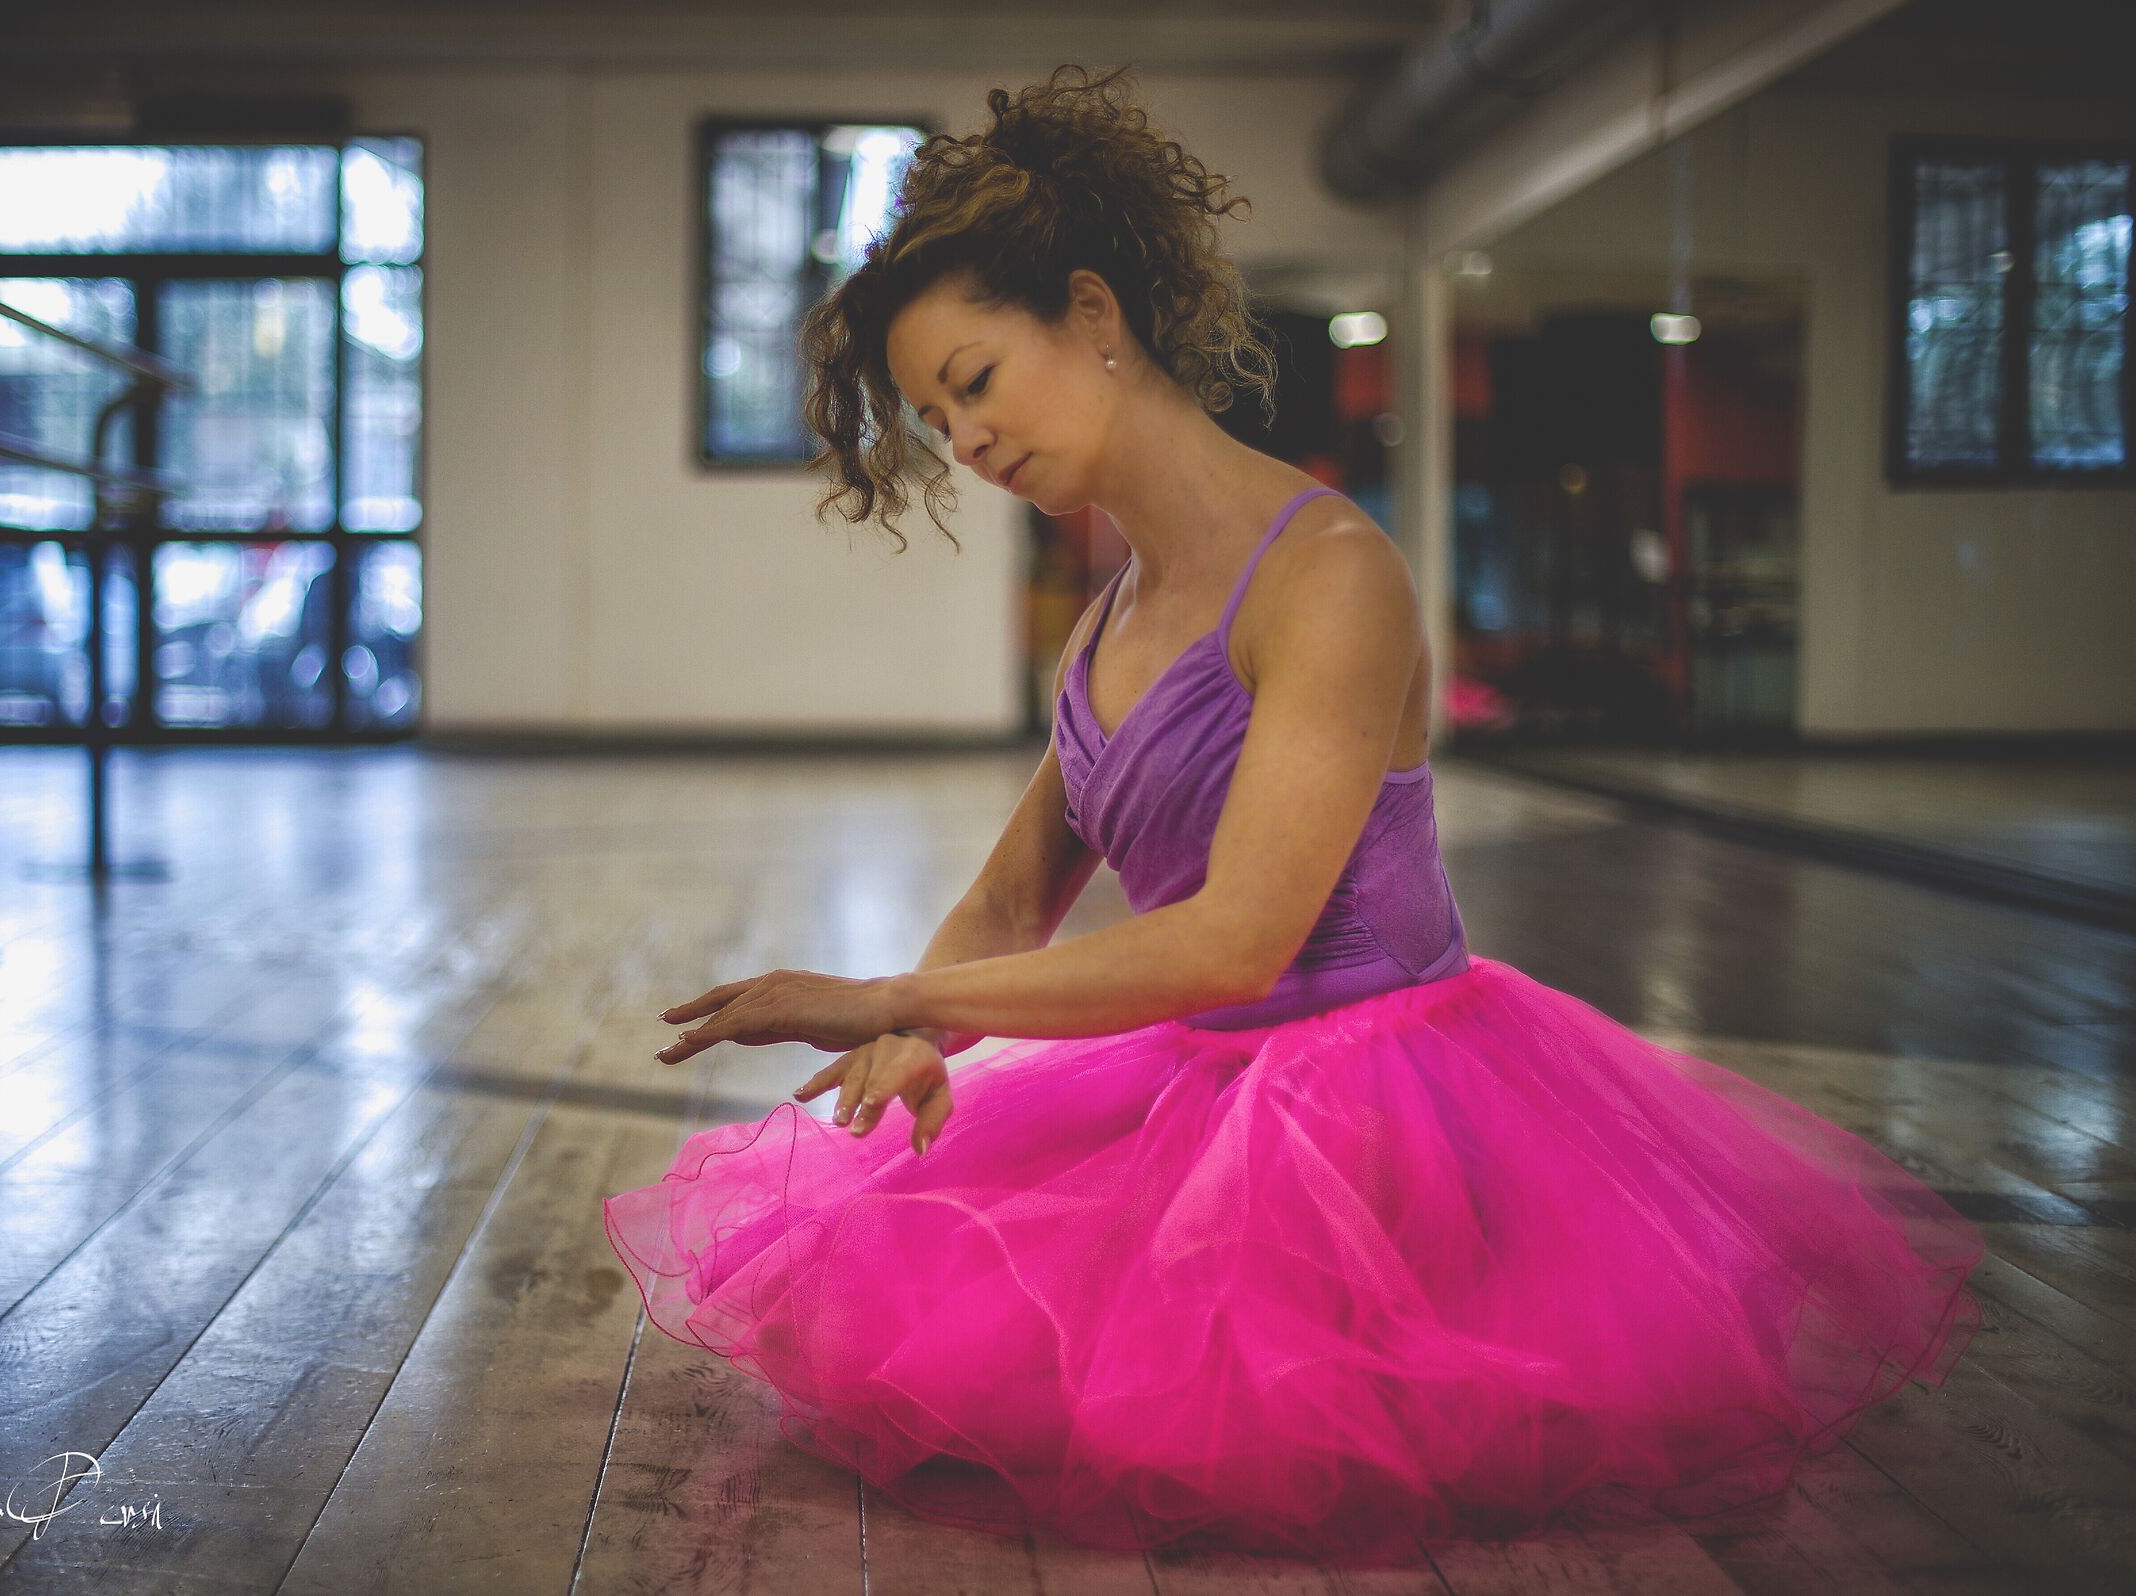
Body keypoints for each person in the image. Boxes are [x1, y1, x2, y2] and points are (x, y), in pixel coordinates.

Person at [601, 64, 1982, 1566]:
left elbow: (1238, 942)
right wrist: (916, 1031)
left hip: (1388, 1118)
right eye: (938, 418)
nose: (968, 443)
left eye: (977, 381)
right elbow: (1007, 904)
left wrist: (887, 996)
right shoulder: (1106, 626)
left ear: (1092, 314)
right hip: (1197, 1082)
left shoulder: (1330, 576)